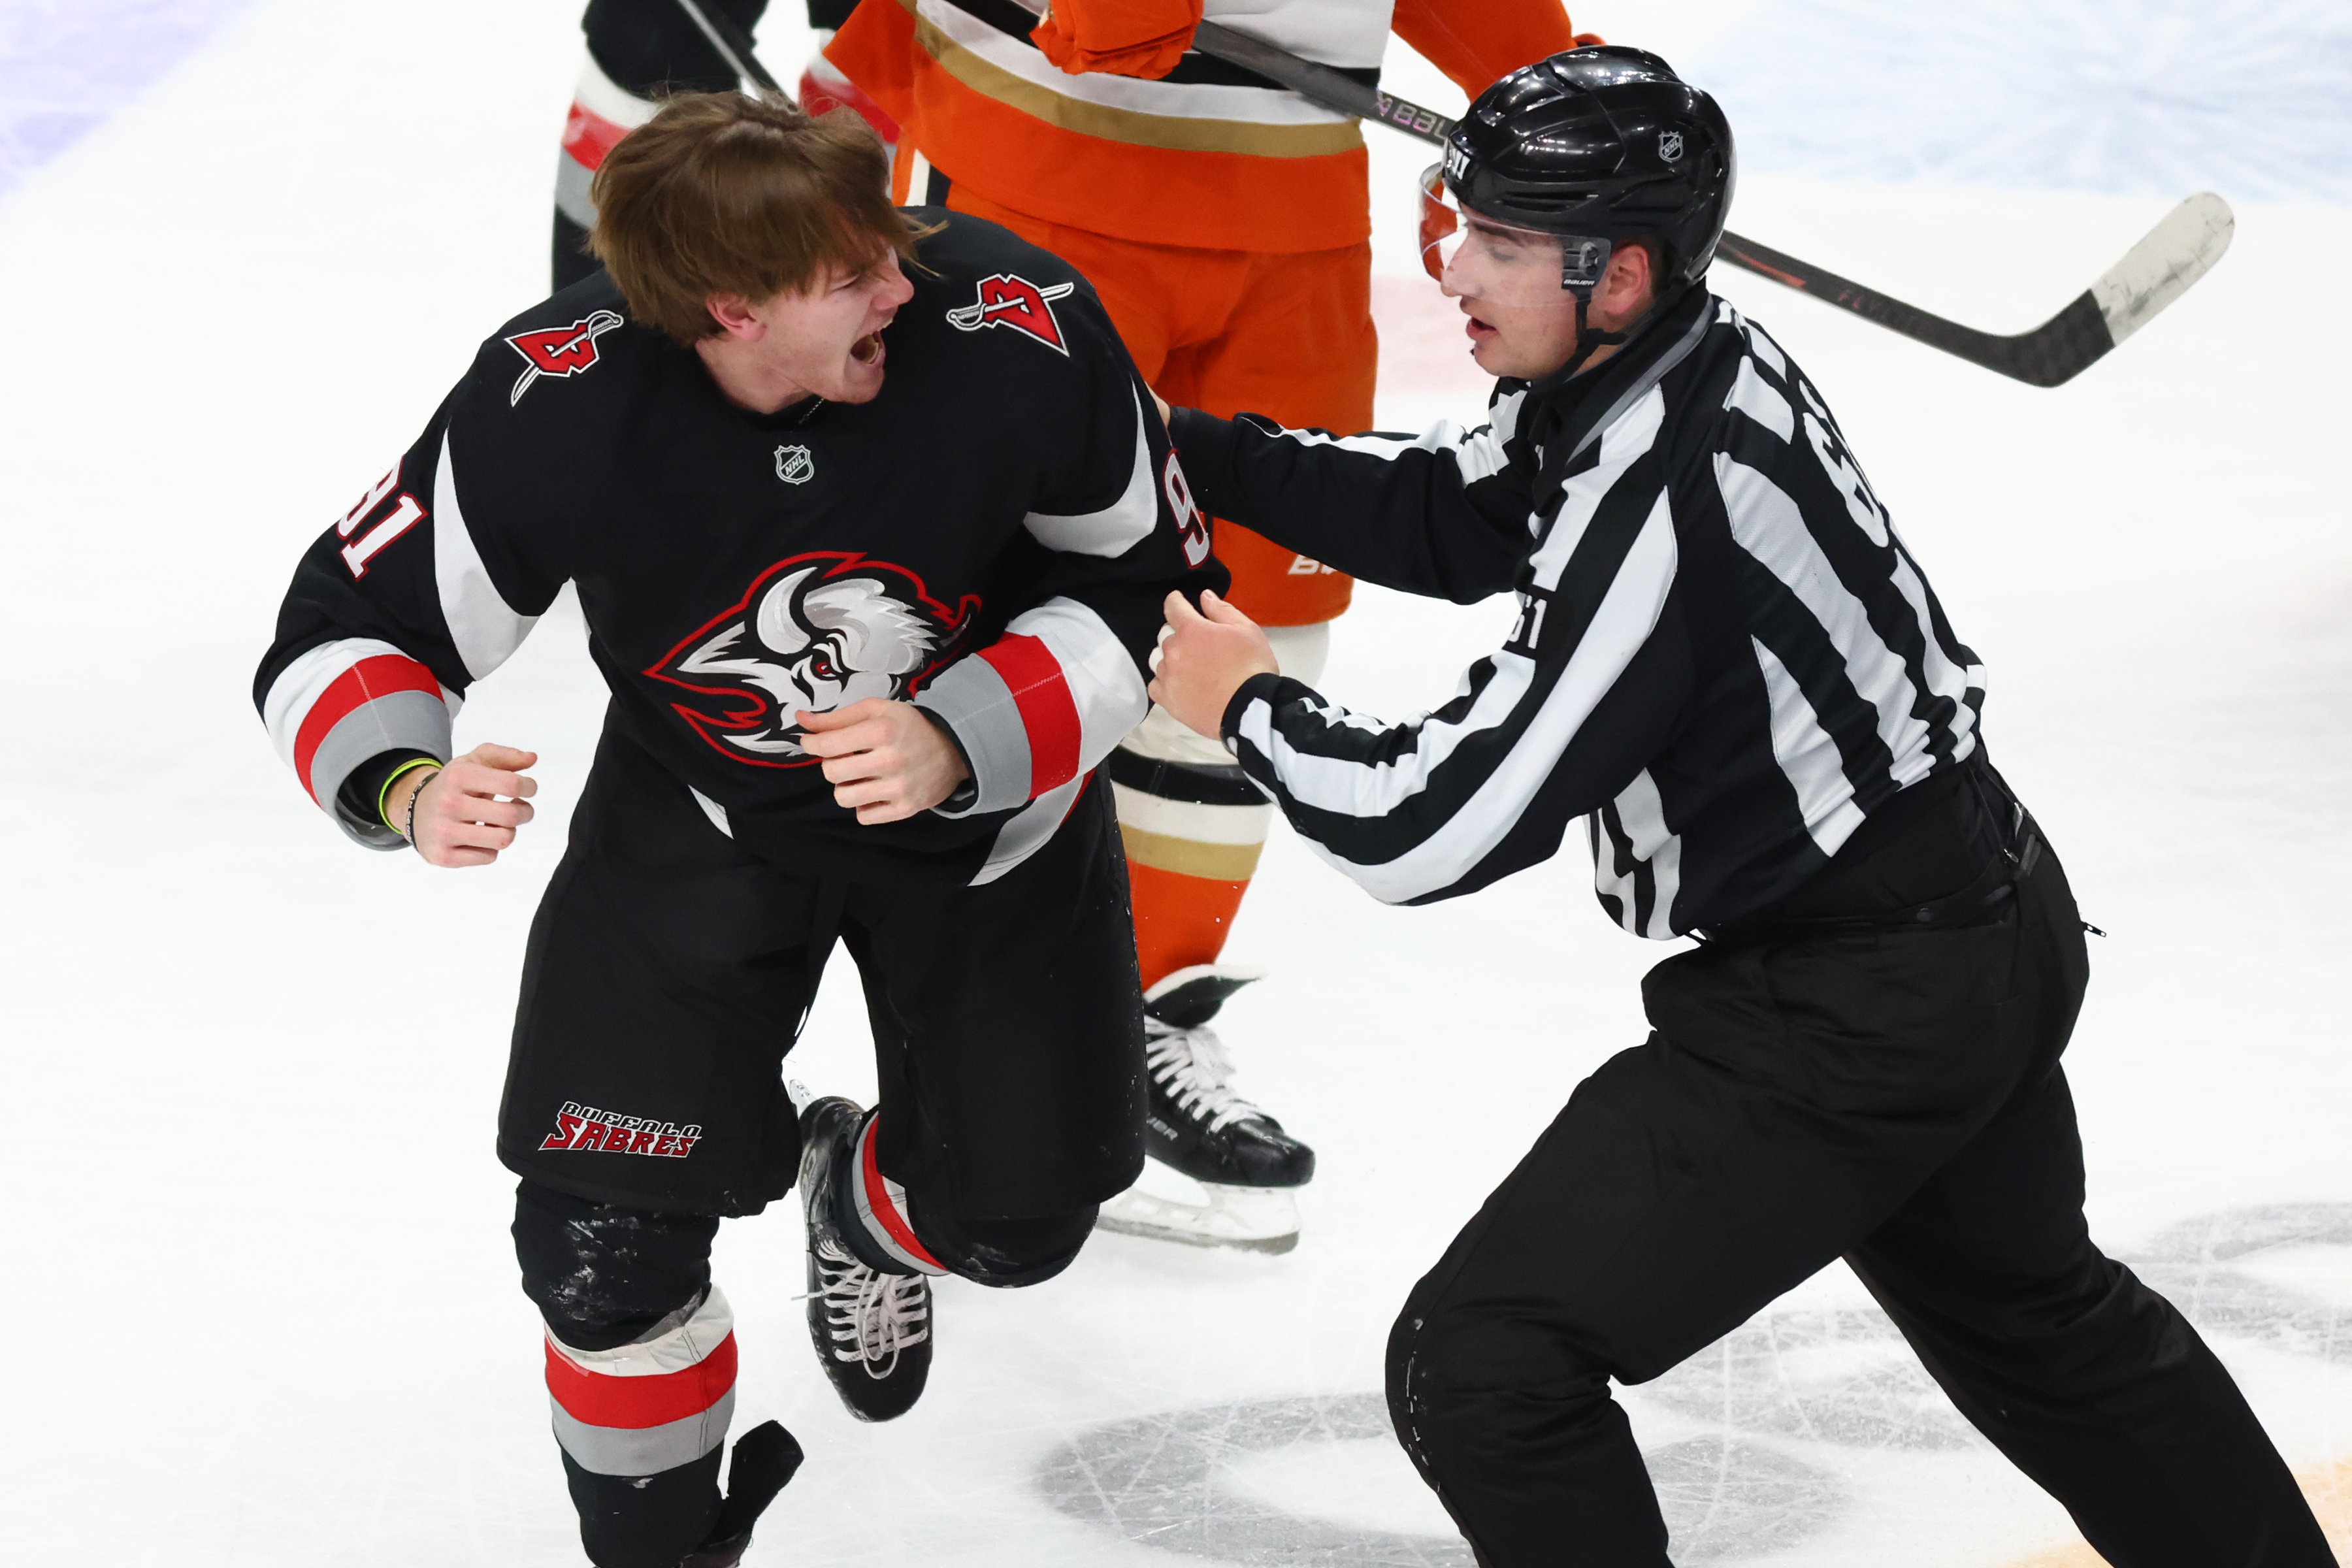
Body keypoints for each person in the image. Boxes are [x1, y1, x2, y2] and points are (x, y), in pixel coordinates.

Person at [1145, 46, 2336, 1568]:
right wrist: (1177, 443)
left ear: (1622, 274)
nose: (1451, 265)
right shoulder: (1670, 364)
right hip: (1966, 918)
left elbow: (1431, 825)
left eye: (1503, 243)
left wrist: (1246, 702)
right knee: (2047, 1328)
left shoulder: (1666, 488)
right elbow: (1444, 511)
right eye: (1462, 223)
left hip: (1861, 1002)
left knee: (1486, 1366)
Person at [257, 91, 1220, 1568]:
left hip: (995, 830)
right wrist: (401, 783)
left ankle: (870, 1199)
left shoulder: (1024, 325)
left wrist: (963, 728)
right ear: (731, 308)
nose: (908, 282)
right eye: (855, 277)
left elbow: (1156, 589)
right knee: (599, 1256)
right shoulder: (553, 391)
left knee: (1012, 1229)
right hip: (701, 828)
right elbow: (345, 623)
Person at [546, 0, 1589, 1250]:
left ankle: (1134, 1019)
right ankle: (955, 1056)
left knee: (1256, 620)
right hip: (1038, 205)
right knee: (988, 613)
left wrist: (1577, 150)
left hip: (1289, 231)